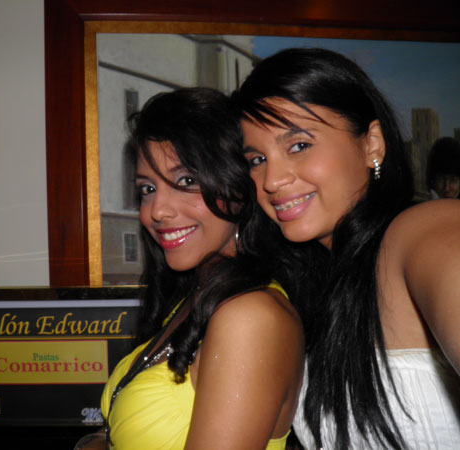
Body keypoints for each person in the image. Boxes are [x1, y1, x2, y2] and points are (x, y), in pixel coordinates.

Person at [234, 48, 460, 450]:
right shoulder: (310, 289)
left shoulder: (421, 231)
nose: (271, 180)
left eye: (298, 145)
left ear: (371, 143)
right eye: (256, 159)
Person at [74, 87, 304, 450]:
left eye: (186, 182)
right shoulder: (194, 297)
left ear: (237, 186)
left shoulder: (250, 316)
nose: (157, 211)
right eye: (147, 189)